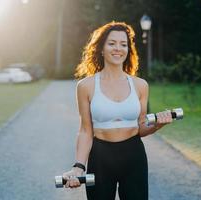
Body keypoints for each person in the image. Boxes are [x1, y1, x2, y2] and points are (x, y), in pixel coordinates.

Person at [63, 21, 173, 200]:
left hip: (134, 155)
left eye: (123, 44)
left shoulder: (140, 85)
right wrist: (78, 166)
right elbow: (85, 130)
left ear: (129, 50)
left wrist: (158, 124)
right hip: (100, 157)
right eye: (112, 43)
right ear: (101, 48)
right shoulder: (86, 86)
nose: (118, 48)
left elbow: (141, 127)